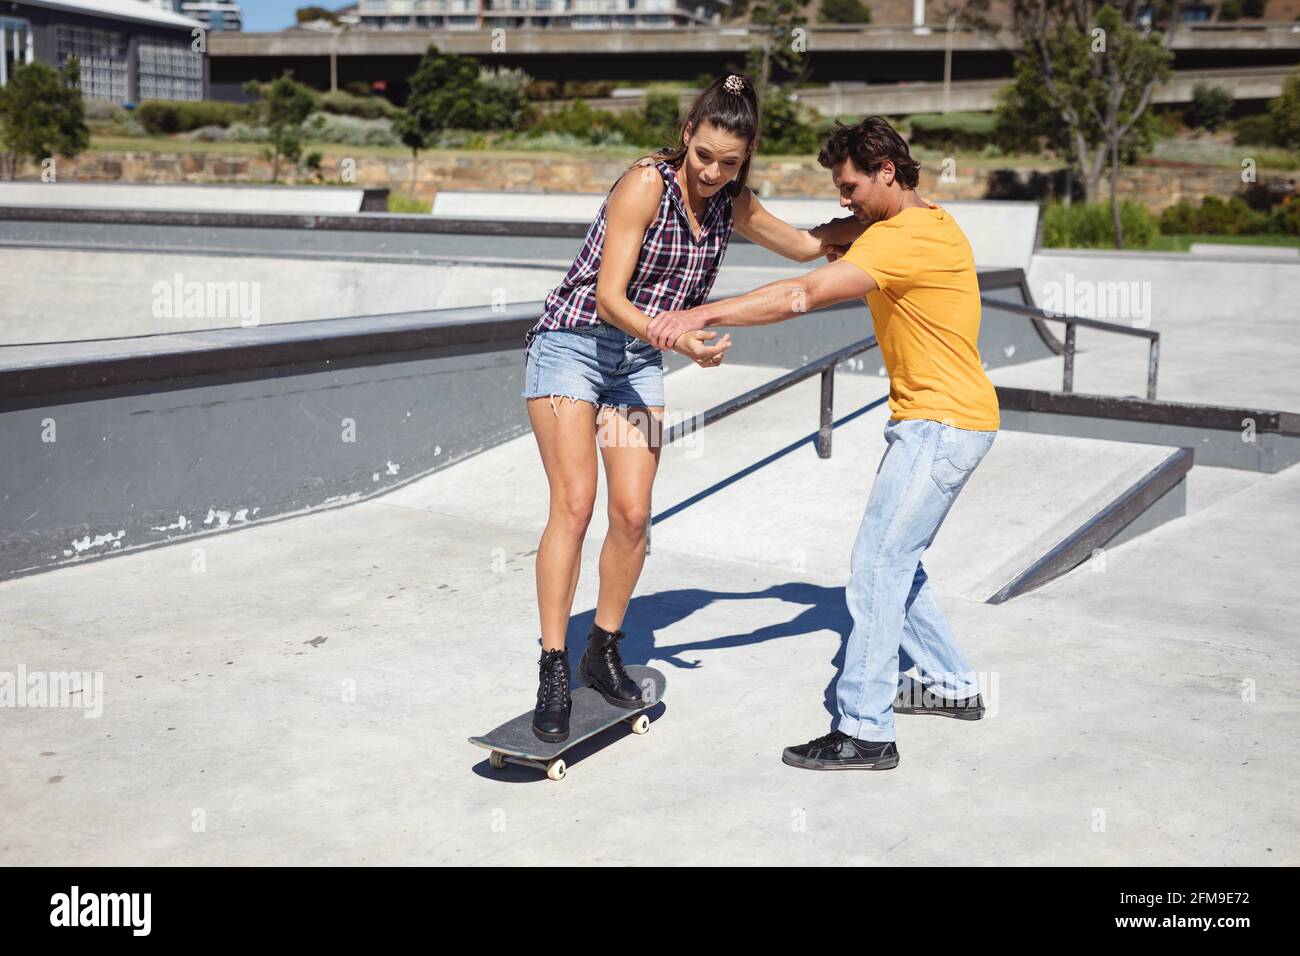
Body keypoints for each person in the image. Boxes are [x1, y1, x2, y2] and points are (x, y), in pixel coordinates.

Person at [646, 115, 1000, 771]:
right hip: (949, 422)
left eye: (850, 186)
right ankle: (950, 686)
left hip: (940, 424)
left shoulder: (901, 239)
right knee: (900, 562)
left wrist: (703, 311)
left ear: (886, 173)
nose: (843, 199)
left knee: (873, 571)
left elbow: (805, 293)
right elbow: (809, 246)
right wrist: (736, 200)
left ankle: (866, 732)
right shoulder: (921, 221)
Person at [523, 74, 866, 742]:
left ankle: (603, 649)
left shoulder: (732, 201)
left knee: (631, 515)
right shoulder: (645, 184)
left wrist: (880, 222)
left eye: (728, 163)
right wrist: (676, 334)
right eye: (704, 155)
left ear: (745, 160)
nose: (711, 172)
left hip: (636, 361)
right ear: (687, 136)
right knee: (574, 503)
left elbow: (800, 244)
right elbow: (610, 300)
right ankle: (554, 663)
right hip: (573, 346)